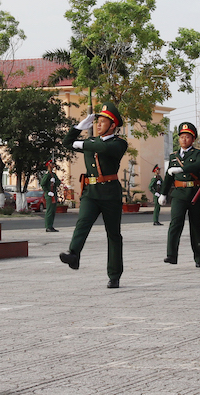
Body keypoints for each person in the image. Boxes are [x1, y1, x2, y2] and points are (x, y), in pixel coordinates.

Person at [60, 101, 129, 289]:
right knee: (82, 223)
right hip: (91, 191)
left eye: (102, 122)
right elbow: (67, 143)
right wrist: (77, 128)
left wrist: (85, 143)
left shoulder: (119, 143)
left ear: (113, 125)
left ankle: (114, 274)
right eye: (96, 121)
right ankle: (73, 254)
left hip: (110, 193)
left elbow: (104, 148)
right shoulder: (90, 142)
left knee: (113, 234)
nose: (98, 125)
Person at [158, 122, 200, 267]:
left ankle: (199, 258)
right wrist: (163, 193)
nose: (184, 139)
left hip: (195, 193)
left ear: (193, 139)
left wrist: (181, 169)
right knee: (175, 223)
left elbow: (198, 165)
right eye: (182, 137)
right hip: (179, 193)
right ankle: (171, 255)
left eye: (187, 137)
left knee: (196, 226)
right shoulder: (173, 156)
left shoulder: (199, 153)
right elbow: (168, 176)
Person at [38, 160, 61, 232]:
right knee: (49, 211)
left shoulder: (53, 174)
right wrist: (47, 192)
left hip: (54, 194)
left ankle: (51, 226)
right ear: (48, 165)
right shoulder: (47, 175)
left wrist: (55, 181)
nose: (53, 165)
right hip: (49, 195)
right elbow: (43, 184)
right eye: (51, 164)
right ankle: (48, 226)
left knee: (53, 211)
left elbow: (59, 182)